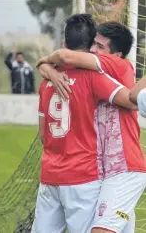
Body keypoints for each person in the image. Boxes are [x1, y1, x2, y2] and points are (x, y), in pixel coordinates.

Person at [36, 21, 146, 233]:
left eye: (100, 47)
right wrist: (49, 69)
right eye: (92, 44)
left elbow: (132, 99)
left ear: (118, 55)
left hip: (125, 167)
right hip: (104, 170)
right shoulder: (92, 72)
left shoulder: (115, 67)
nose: (93, 51)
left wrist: (46, 64)